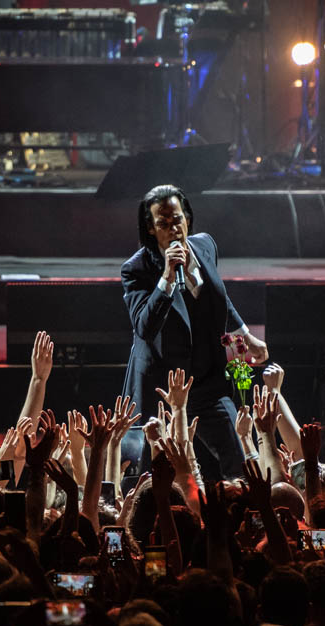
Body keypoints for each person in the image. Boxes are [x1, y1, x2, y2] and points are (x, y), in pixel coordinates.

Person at [120, 184, 267, 480]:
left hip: (204, 379)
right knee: (155, 476)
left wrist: (245, 336)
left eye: (177, 220)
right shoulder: (137, 270)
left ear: (187, 217)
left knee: (239, 459)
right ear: (150, 229)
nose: (173, 229)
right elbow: (145, 328)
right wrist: (166, 278)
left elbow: (219, 297)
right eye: (163, 223)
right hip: (162, 388)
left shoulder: (205, 246)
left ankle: (239, 518)